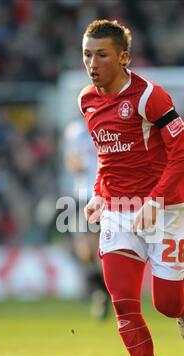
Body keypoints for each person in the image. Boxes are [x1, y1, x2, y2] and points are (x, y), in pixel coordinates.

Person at [79, 19, 184, 356]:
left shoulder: (150, 97)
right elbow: (106, 157)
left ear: (124, 57)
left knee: (165, 303)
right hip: (118, 212)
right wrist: (99, 194)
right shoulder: (87, 101)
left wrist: (153, 199)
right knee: (125, 304)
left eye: (101, 55)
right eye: (87, 55)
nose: (92, 63)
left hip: (167, 209)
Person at [63, 118, 110, 319]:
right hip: (82, 195)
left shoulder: (106, 126)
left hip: (103, 195)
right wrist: (76, 165)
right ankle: (102, 290)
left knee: (100, 248)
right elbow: (70, 159)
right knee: (84, 251)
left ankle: (105, 293)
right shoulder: (74, 131)